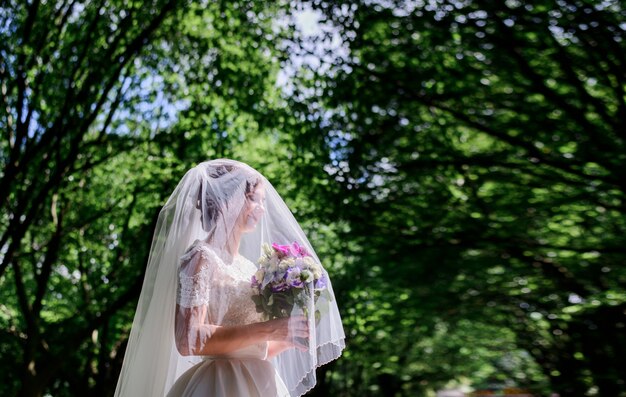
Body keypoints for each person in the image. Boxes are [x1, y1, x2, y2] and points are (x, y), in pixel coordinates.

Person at [114, 159, 345, 397]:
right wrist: (267, 329)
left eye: (263, 201)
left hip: (261, 383)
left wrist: (287, 336)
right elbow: (188, 340)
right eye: (254, 199)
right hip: (218, 386)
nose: (262, 209)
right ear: (229, 199)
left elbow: (251, 348)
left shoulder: (248, 267)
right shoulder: (200, 258)